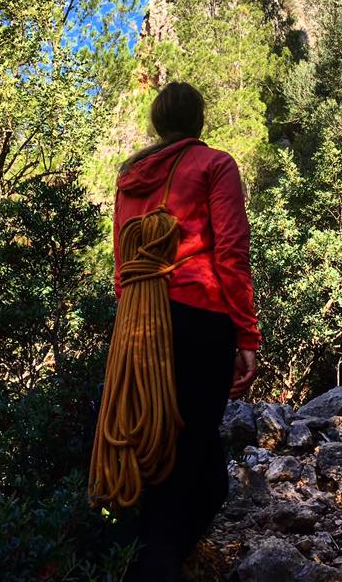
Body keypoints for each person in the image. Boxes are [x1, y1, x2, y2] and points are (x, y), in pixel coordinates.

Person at [115, 81, 260, 582]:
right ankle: (159, 564)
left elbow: (123, 264)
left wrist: (132, 326)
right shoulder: (216, 164)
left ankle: (153, 557)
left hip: (139, 322)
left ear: (158, 124)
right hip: (199, 317)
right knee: (197, 461)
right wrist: (246, 336)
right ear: (200, 121)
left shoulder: (130, 177)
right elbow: (231, 254)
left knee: (157, 451)